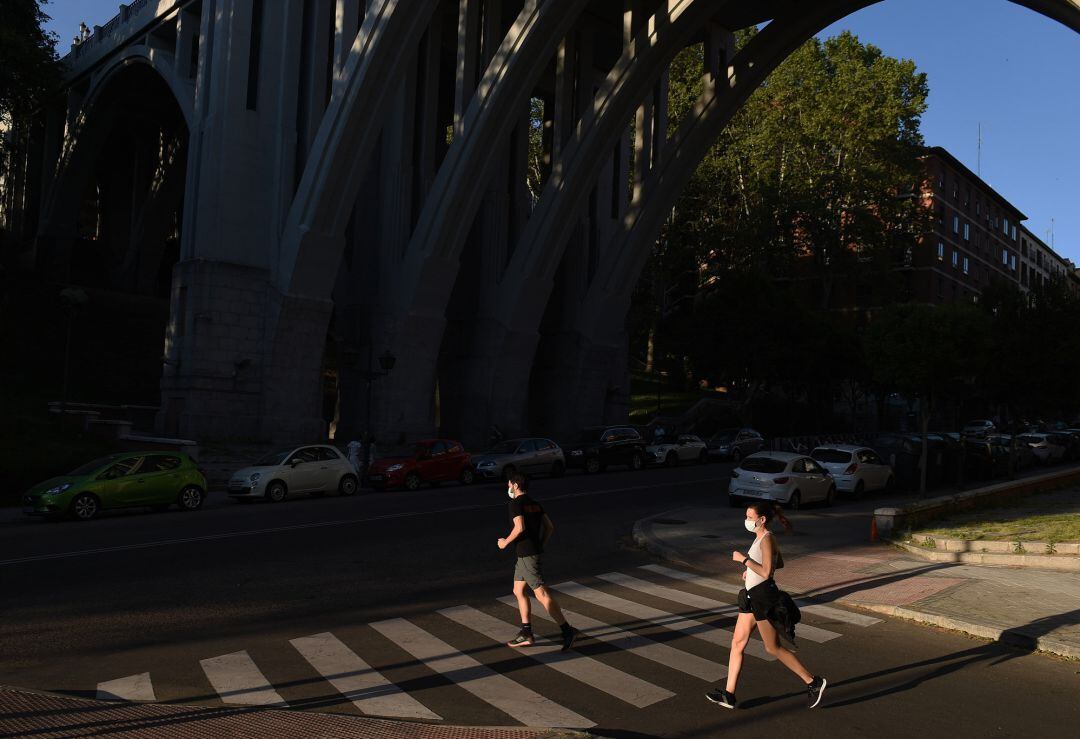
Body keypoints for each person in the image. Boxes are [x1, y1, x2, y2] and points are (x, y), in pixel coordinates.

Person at [706, 501, 827, 710]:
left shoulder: (767, 539)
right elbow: (778, 563)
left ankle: (813, 682)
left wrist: (744, 561)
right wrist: (750, 571)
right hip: (751, 597)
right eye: (746, 516)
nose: (746, 521)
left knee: (772, 647)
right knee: (737, 643)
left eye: (750, 517)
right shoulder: (761, 538)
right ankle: (729, 694)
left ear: (761, 520)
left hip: (763, 599)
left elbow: (767, 572)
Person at [497, 472, 579, 651]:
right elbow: (550, 527)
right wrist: (540, 543)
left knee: (541, 594)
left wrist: (504, 543)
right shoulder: (535, 504)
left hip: (527, 555)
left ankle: (567, 630)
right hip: (528, 554)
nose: (508, 487)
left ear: (515, 485)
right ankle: (526, 632)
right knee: (518, 590)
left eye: (509, 484)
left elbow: (519, 527)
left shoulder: (515, 504)